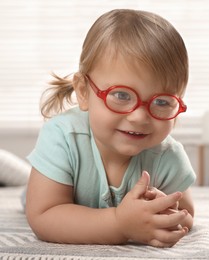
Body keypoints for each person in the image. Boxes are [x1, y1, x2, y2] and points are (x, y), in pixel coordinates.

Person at [25, 9, 196, 248]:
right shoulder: (63, 137)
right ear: (83, 92)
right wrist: (120, 225)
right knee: (29, 195)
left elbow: (186, 212)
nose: (139, 116)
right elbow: (43, 216)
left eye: (161, 102)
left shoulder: (167, 155)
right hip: (46, 190)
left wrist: (167, 212)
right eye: (121, 95)